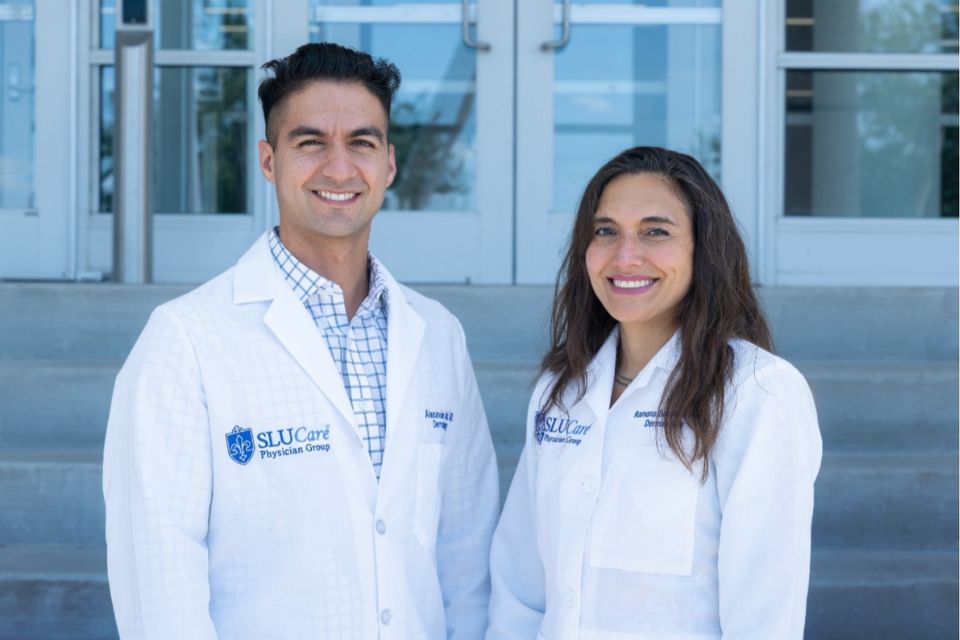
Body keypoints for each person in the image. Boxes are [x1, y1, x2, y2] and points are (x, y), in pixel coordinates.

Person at [103, 42, 499, 639]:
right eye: (310, 142)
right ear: (268, 161)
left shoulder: (438, 335)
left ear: (389, 164)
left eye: (361, 143)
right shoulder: (186, 340)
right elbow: (158, 566)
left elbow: (467, 551)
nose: (339, 168)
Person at [486, 147, 822, 639]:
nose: (626, 256)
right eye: (606, 232)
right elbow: (520, 587)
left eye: (655, 232)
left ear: (702, 250)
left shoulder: (757, 393)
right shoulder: (560, 391)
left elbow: (766, 613)